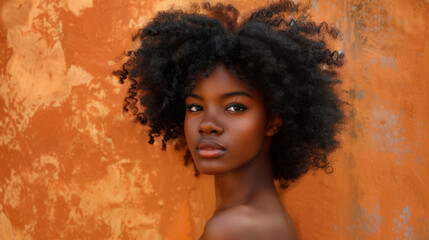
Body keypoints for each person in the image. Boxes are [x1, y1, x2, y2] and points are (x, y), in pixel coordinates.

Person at [114, 0, 344, 239]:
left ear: (273, 120)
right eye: (195, 106)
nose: (207, 125)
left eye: (235, 107)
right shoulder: (267, 217)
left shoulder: (232, 228)